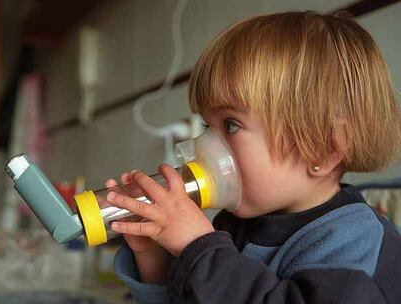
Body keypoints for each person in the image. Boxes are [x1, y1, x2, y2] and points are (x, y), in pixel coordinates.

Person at [105, 11, 401, 303]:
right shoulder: (233, 226)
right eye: (208, 126)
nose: (203, 147)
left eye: (231, 125)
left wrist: (199, 249)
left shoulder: (352, 240)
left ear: (322, 148)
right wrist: (156, 260)